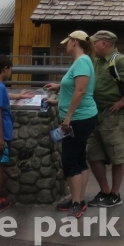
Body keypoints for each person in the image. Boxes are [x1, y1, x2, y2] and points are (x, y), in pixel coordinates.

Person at [43, 30, 98, 218]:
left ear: (75, 42)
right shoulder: (83, 61)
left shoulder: (82, 61)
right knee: (79, 158)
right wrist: (58, 92)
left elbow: (81, 91)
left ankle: (76, 203)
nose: (65, 44)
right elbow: (75, 87)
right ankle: (79, 199)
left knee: (69, 160)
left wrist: (67, 118)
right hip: (81, 116)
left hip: (78, 119)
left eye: (68, 41)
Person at [87, 30, 124, 207]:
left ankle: (115, 193)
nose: (92, 45)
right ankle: (104, 191)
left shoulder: (118, 60)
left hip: (115, 116)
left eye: (94, 42)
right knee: (93, 153)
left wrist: (122, 101)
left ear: (103, 43)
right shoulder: (96, 62)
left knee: (116, 155)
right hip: (97, 114)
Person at [0, 58, 33, 217]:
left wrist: (18, 95)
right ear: (5, 68)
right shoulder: (0, 88)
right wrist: (1, 137)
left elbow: (0, 99)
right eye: (10, 69)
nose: (11, 72)